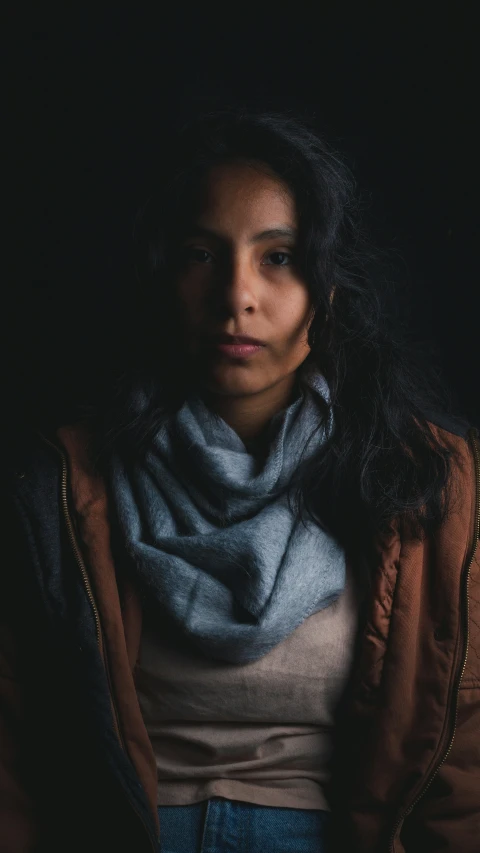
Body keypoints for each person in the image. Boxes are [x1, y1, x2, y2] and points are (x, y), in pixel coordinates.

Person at [1, 110, 479, 853]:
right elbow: (13, 747)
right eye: (202, 254)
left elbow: (463, 762)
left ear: (330, 286)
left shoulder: (422, 483)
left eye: (279, 257)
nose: (237, 295)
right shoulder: (65, 480)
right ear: (163, 273)